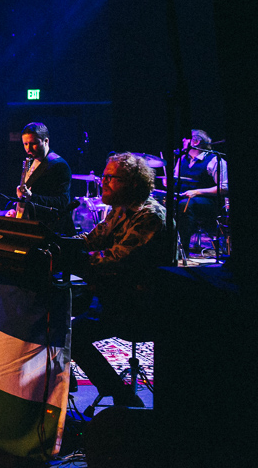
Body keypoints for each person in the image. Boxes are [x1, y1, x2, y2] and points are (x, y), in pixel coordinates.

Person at [70, 152, 171, 407]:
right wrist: (57, 242)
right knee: (51, 309)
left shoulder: (150, 215)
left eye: (110, 178)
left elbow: (116, 258)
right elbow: (91, 240)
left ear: (133, 183)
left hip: (140, 304)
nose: (103, 182)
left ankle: (122, 395)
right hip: (115, 290)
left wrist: (73, 261)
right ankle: (60, 381)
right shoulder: (118, 209)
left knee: (74, 334)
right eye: (104, 176)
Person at [170, 129, 229, 256]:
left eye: (187, 139)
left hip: (208, 202)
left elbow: (224, 187)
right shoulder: (182, 159)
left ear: (196, 141)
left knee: (184, 205)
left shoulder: (214, 160)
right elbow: (175, 181)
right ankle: (166, 244)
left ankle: (182, 250)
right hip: (184, 198)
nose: (183, 141)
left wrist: (197, 191)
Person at [14, 122, 75, 234]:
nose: (28, 148)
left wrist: (31, 197)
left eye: (33, 143)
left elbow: (62, 202)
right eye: (25, 144)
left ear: (46, 141)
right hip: (32, 225)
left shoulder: (58, 165)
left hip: (50, 229)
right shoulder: (31, 160)